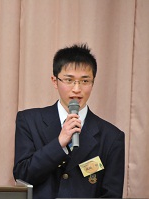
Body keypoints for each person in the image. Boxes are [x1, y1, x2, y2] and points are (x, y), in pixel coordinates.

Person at [13, 44, 125, 198]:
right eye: (69, 80)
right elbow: (22, 176)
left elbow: (111, 194)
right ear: (55, 81)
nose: (77, 89)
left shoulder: (112, 136)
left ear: (93, 83)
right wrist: (59, 143)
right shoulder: (29, 121)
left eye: (85, 81)